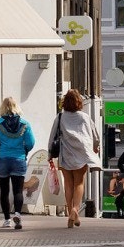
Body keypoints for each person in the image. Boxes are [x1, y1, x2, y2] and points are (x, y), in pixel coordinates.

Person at [47, 88, 100, 228]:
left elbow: (52, 136)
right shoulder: (84, 117)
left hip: (65, 155)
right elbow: (94, 135)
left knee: (68, 184)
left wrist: (49, 154)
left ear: (65, 102)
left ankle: (70, 214)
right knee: (79, 183)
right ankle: (75, 209)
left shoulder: (60, 117)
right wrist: (96, 146)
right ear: (79, 102)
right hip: (81, 154)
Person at [0, 97, 35, 230]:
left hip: (2, 159)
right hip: (19, 160)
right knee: (18, 191)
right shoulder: (25, 124)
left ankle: (7, 220)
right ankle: (18, 214)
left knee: (4, 191)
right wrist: (24, 150)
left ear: (2, 108)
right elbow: (31, 142)